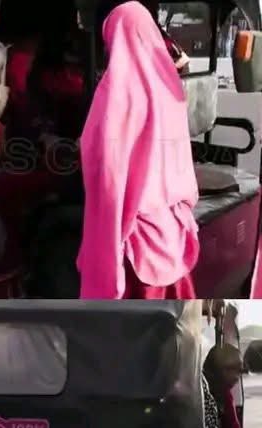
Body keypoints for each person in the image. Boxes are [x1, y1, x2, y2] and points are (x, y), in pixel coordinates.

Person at [77, 1, 199, 299]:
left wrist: (105, 258)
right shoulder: (169, 88)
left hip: (137, 250)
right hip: (171, 236)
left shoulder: (116, 94)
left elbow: (108, 180)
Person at [204, 344, 243, 428]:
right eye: (230, 369)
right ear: (216, 368)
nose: (236, 377)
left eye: (239, 371)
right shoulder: (223, 395)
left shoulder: (223, 394)